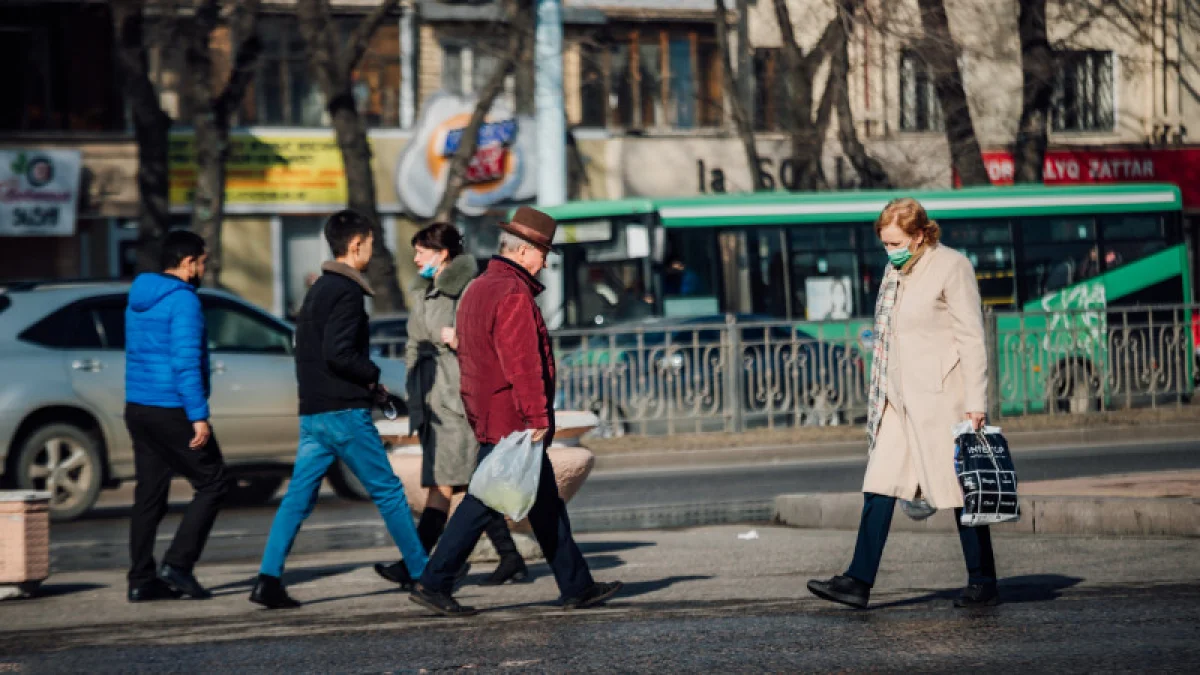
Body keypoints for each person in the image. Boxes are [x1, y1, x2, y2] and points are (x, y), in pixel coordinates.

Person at [408, 206, 623, 617]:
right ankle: (434, 581)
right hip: (513, 419)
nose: (545, 262)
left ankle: (577, 585)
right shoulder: (512, 293)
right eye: (543, 253)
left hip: (490, 411)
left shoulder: (480, 288)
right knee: (483, 500)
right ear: (524, 252)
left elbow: (471, 358)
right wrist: (538, 416)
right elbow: (522, 363)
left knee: (545, 504)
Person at [807, 197, 1000, 610]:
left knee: (961, 490)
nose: (889, 250)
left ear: (918, 236)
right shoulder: (895, 272)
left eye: (895, 242)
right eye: (884, 243)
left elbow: (971, 337)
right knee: (878, 485)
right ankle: (857, 581)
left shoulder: (952, 266)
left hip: (940, 400)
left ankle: (983, 580)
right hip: (897, 399)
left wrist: (975, 401)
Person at [250, 210, 429, 609]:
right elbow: (339, 353)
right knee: (388, 493)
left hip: (314, 413)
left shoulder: (318, 290)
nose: (371, 250)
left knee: (298, 498)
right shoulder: (346, 292)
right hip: (343, 413)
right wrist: (371, 375)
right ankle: (423, 574)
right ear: (354, 245)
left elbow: (312, 352)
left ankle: (268, 579)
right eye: (369, 243)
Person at [374, 221, 530, 588]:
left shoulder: (469, 290)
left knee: (452, 484)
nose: (415, 259)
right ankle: (506, 557)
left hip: (460, 401)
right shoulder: (424, 293)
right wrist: (415, 387)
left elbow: (489, 340)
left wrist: (461, 339)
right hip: (432, 399)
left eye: (421, 252)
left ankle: (422, 564)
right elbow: (414, 341)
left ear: (442, 254)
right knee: (458, 485)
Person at [124, 230, 231, 602]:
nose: (204, 269)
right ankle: (178, 566)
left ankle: (140, 580)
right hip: (172, 408)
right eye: (203, 262)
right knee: (214, 482)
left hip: (138, 406)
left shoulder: (139, 297)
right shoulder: (184, 301)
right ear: (188, 263)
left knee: (149, 494)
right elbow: (185, 362)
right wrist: (198, 416)